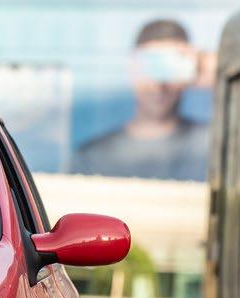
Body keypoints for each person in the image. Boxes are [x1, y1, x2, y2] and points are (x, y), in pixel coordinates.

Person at [73, 19, 210, 181]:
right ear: (132, 68)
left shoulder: (211, 146)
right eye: (151, 67)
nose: (159, 84)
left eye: (170, 68)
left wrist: (206, 67)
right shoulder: (92, 158)